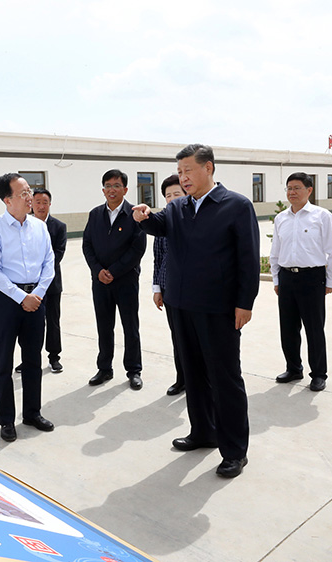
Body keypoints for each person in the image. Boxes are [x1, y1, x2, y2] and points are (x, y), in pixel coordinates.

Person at [133, 144, 260, 479]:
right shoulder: (178, 207)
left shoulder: (236, 206)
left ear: (209, 168)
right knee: (193, 375)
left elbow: (248, 258)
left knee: (225, 379)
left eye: (188, 170)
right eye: (180, 172)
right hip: (180, 305)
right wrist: (144, 215)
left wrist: (245, 302)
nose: (183, 178)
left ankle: (235, 451)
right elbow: (158, 224)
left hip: (218, 308)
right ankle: (203, 432)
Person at [0, 173, 55, 442]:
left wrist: (37, 294)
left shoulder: (39, 227)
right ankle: (7, 420)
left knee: (33, 359)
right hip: (5, 301)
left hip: (36, 299)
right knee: (4, 362)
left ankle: (32, 413)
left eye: (29, 191)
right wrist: (21, 297)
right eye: (23, 193)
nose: (29, 197)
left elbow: (49, 263)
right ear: (7, 200)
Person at [270, 171, 332, 392]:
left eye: (297, 188)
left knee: (314, 328)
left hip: (312, 278)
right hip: (286, 277)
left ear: (309, 190)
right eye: (289, 188)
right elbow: (275, 253)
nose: (292, 192)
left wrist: (331, 281)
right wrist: (276, 278)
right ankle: (293, 368)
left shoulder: (322, 216)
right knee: (288, 327)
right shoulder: (281, 218)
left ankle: (318, 374)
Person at [82, 169, 147, 390]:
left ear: (125, 189)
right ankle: (104, 368)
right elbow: (87, 245)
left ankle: (134, 370)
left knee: (130, 326)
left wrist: (114, 271)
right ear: (103, 190)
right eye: (108, 186)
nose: (112, 190)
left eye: (116, 185)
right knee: (104, 326)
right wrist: (98, 270)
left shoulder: (134, 214)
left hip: (126, 281)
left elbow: (138, 249)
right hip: (100, 282)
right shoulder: (95, 214)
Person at [152, 174, 187, 396]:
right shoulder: (162, 221)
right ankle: (181, 379)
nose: (172, 199)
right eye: (168, 195)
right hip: (168, 287)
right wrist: (157, 288)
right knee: (178, 337)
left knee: (195, 339)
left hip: (191, 290)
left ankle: (199, 382)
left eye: (176, 194)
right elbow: (158, 257)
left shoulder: (194, 219)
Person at [32, 188, 68, 373]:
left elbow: (57, 255)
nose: (41, 206)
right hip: (29, 285)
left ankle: (54, 358)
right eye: (37, 202)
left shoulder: (59, 227)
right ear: (31, 204)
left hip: (52, 284)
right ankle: (29, 359)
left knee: (53, 321)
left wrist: (39, 272)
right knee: (30, 324)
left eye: (44, 202)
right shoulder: (24, 224)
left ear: (50, 204)